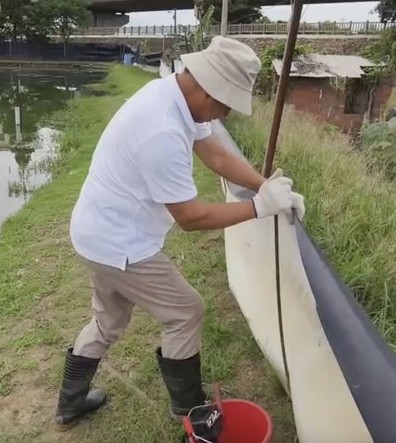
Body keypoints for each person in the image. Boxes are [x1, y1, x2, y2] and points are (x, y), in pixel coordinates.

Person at [54, 36, 306, 430]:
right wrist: (259, 208)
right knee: (186, 311)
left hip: (95, 231)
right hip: (120, 243)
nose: (222, 113)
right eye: (224, 104)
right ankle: (189, 409)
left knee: (109, 321)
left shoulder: (172, 97)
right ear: (208, 88)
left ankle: (70, 404)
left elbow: (216, 154)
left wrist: (264, 185)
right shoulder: (162, 130)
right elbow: (191, 217)